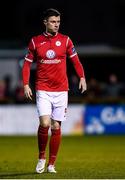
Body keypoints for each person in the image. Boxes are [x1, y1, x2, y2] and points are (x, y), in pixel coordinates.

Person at [22, 8, 87, 174]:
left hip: (61, 90)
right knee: (45, 123)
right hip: (43, 88)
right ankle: (41, 157)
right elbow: (27, 64)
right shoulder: (35, 41)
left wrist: (82, 77)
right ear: (45, 22)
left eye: (58, 22)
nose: (56, 25)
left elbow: (76, 61)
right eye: (53, 21)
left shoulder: (65, 41)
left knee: (56, 127)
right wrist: (25, 84)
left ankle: (51, 164)